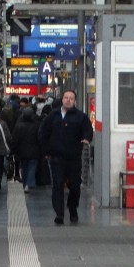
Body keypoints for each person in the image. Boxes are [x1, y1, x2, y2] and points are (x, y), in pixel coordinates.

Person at [38, 89, 92, 224]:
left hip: (74, 157)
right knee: (57, 185)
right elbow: (43, 132)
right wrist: (46, 151)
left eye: (71, 98)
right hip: (56, 158)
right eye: (66, 97)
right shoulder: (53, 116)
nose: (68, 100)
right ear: (62, 99)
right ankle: (59, 213)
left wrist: (86, 139)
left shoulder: (80, 117)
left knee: (75, 185)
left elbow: (88, 130)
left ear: (74, 101)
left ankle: (72, 207)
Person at [11, 103, 40, 193]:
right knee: (32, 166)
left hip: (22, 151)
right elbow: (40, 138)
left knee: (24, 167)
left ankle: (25, 183)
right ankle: (29, 183)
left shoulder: (18, 126)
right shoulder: (36, 126)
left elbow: (15, 139)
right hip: (34, 150)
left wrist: (13, 150)